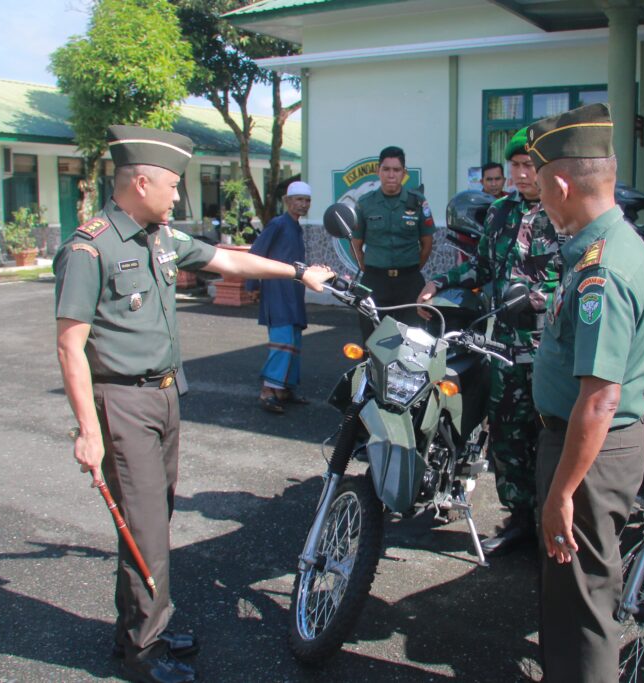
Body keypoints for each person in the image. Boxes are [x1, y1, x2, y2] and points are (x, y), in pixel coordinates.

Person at [53, 125, 332, 683]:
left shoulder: (160, 237)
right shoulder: (89, 246)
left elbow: (231, 261)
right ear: (141, 181)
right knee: (148, 529)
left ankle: (135, 630)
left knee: (152, 520)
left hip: (165, 396)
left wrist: (300, 272)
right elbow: (69, 344)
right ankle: (143, 654)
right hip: (122, 401)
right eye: (174, 185)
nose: (179, 196)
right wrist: (88, 429)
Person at [528, 103, 644, 682]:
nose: (538, 201)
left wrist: (562, 491)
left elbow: (600, 399)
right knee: (568, 598)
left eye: (539, 188)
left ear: (560, 182)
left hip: (589, 455)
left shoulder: (603, 270)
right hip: (591, 450)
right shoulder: (604, 246)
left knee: (583, 611)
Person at [417, 127, 562, 556]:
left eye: (529, 166)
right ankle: (519, 519)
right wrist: (438, 283)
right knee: (506, 437)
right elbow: (482, 266)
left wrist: (541, 298)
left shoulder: (564, 213)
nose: (521, 174)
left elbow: (578, 277)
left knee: (549, 438)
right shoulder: (500, 211)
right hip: (503, 348)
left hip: (549, 351)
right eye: (516, 165)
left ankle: (549, 526)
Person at [352, 146, 435, 339]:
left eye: (396, 170)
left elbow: (427, 243)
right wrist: (368, 269)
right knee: (373, 340)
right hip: (374, 282)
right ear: (378, 171)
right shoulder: (365, 203)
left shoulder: (418, 201)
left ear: (404, 173)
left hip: (409, 282)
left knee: (412, 342)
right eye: (386, 169)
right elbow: (356, 244)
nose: (391, 175)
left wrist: (412, 267)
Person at [246, 181, 313, 414]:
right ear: (287, 201)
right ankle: (267, 391)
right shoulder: (277, 224)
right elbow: (256, 254)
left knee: (294, 341)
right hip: (277, 292)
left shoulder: (296, 227)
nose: (303, 204)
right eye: (299, 200)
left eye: (307, 200)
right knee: (282, 341)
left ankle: (284, 390)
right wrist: (252, 285)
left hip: (293, 292)